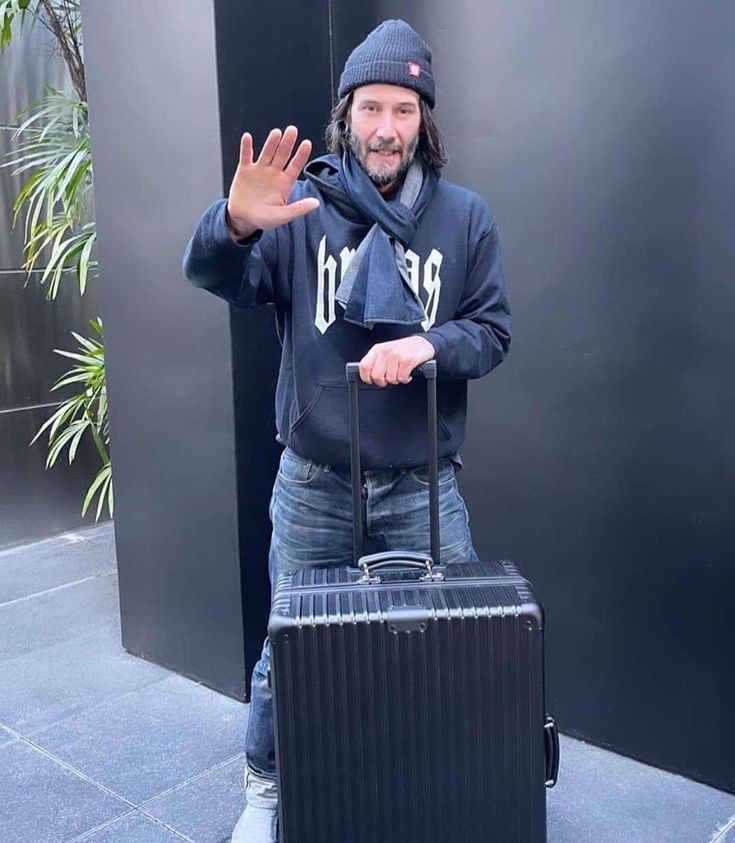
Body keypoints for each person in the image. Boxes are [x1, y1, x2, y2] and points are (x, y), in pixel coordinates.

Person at [183, 18, 511, 843]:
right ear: (346, 114)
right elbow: (219, 276)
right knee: (283, 651)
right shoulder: (299, 209)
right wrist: (234, 222)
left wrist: (429, 343)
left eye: (403, 109)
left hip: (420, 487)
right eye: (371, 107)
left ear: (423, 121)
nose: (385, 127)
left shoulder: (465, 219)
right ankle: (264, 792)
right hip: (313, 483)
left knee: (457, 643)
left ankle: (442, 780)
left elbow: (492, 332)